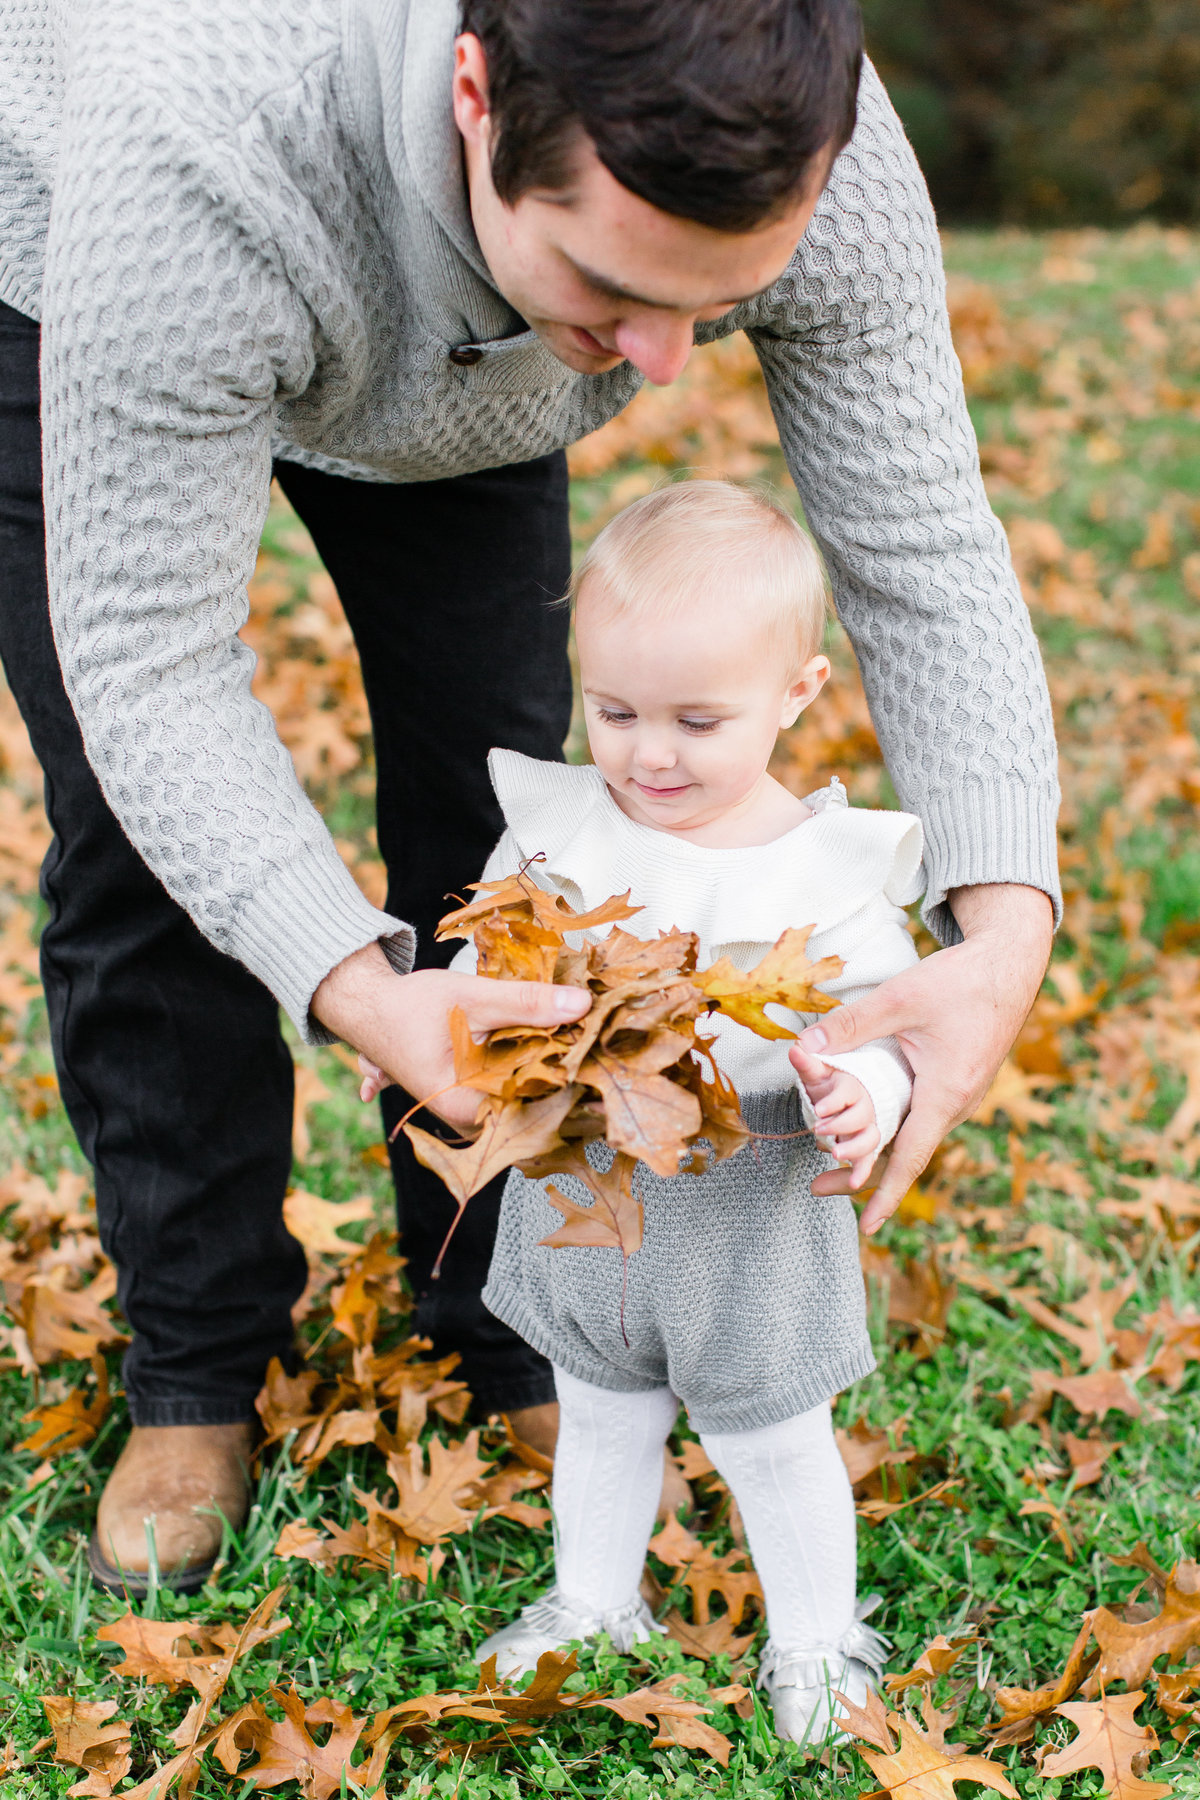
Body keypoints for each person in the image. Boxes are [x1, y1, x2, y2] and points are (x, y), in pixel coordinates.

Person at [0, 0, 1058, 1589]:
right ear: (479, 97)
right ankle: (197, 1367)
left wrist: (1004, 928)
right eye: (623, 288)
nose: (664, 365)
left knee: (505, 832)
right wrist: (362, 994)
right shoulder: (195, 140)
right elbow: (149, 668)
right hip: (110, 259)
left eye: (722, 302)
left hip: (473, 347)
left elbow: (917, 543)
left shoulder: (805, 130)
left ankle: (508, 1338)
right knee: (140, 855)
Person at [435, 481, 914, 1748]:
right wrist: (455, 1017)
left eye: (700, 720)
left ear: (798, 696)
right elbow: (493, 966)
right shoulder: (560, 831)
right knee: (596, 1409)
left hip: (749, 1214)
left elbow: (885, 1022)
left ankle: (819, 1634)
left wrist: (865, 1094)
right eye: (616, 711)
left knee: (772, 1435)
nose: (650, 754)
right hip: (594, 1201)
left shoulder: (826, 875)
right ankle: (595, 1603)